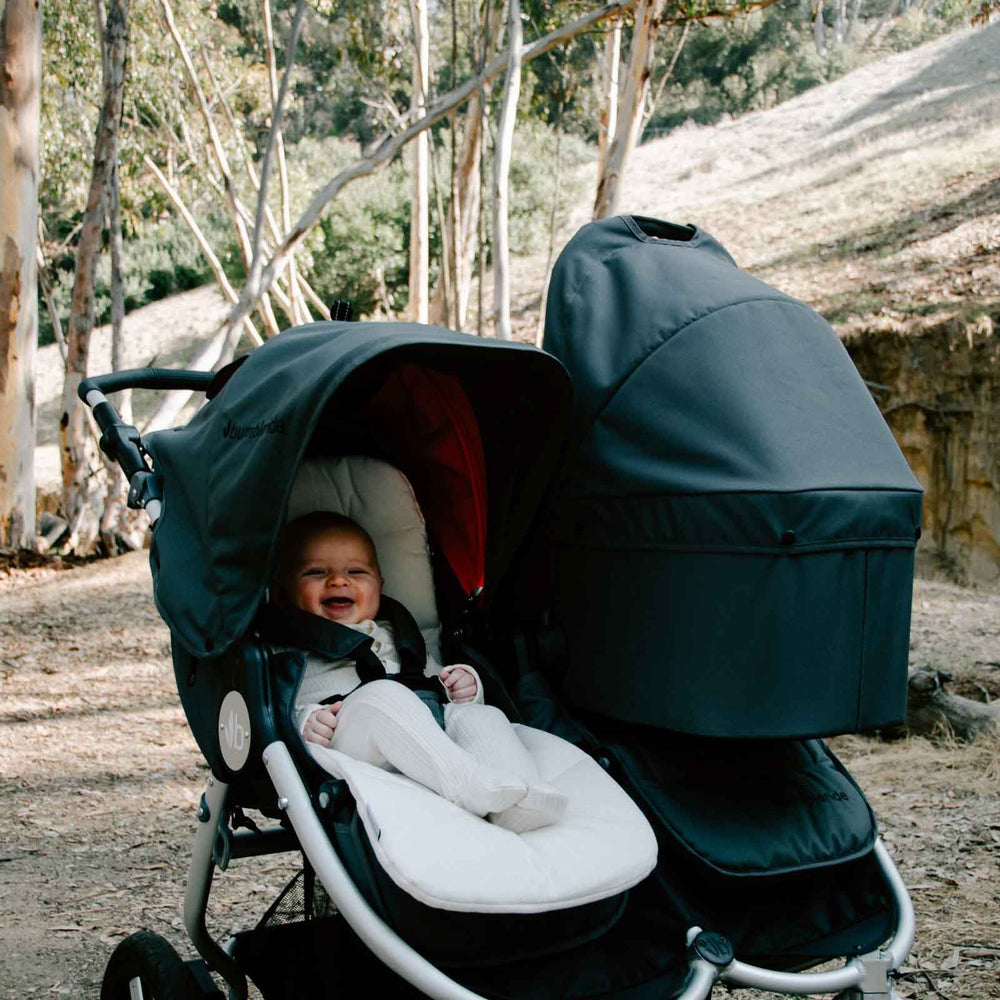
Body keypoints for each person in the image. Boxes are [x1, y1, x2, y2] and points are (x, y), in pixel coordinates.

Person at [273, 510, 567, 834]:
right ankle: (467, 785)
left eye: (356, 571)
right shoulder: (288, 643)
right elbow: (275, 703)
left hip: (425, 727)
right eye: (316, 572)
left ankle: (523, 796)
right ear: (284, 589)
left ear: (380, 585)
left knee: (481, 718)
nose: (339, 581)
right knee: (382, 696)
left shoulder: (397, 631)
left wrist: (463, 686)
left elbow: (435, 678)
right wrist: (306, 720)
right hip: (349, 738)